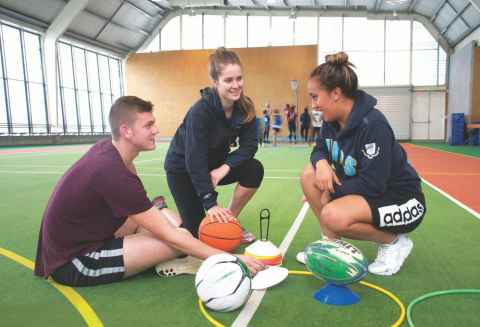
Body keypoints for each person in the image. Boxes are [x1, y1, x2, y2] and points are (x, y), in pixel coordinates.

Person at [34, 96, 264, 287]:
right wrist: (232, 258)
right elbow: (172, 236)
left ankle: (158, 217)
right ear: (126, 131)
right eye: (148, 125)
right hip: (75, 260)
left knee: (176, 229)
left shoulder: (113, 152)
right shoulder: (112, 171)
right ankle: (163, 233)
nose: (156, 130)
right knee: (181, 239)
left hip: (93, 234)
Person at [298, 52, 426, 276]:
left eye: (315, 97)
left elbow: (372, 184)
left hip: (402, 199)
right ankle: (331, 244)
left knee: (333, 214)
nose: (314, 105)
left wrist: (330, 192)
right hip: (370, 193)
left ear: (336, 93)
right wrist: (321, 165)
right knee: (309, 175)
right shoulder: (331, 120)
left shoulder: (373, 124)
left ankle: (394, 243)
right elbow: (319, 149)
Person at [164, 47, 263, 243]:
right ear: (215, 82)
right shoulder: (200, 112)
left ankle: (230, 221)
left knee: (253, 169)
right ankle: (161, 210)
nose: (236, 85)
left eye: (239, 78)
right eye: (228, 80)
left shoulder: (245, 107)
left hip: (214, 166)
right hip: (182, 169)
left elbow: (250, 146)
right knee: (196, 236)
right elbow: (194, 160)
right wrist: (210, 203)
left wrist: (224, 168)